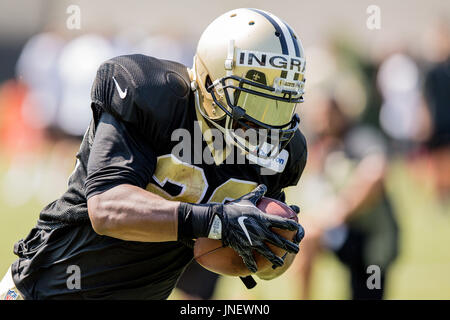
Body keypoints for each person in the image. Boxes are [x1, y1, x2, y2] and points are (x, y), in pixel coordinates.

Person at [0, 8, 307, 300]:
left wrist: (274, 245)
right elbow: (107, 208)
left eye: (280, 103)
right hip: (46, 288)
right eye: (251, 100)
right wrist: (214, 221)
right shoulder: (151, 95)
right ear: (210, 81)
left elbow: (258, 254)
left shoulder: (283, 151)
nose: (264, 122)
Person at [289, 96, 398, 300]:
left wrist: (341, 209)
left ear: (339, 113)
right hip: (343, 234)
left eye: (326, 116)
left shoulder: (361, 138)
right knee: (306, 237)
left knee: (369, 291)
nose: (322, 123)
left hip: (373, 241)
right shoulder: (324, 147)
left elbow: (376, 175)